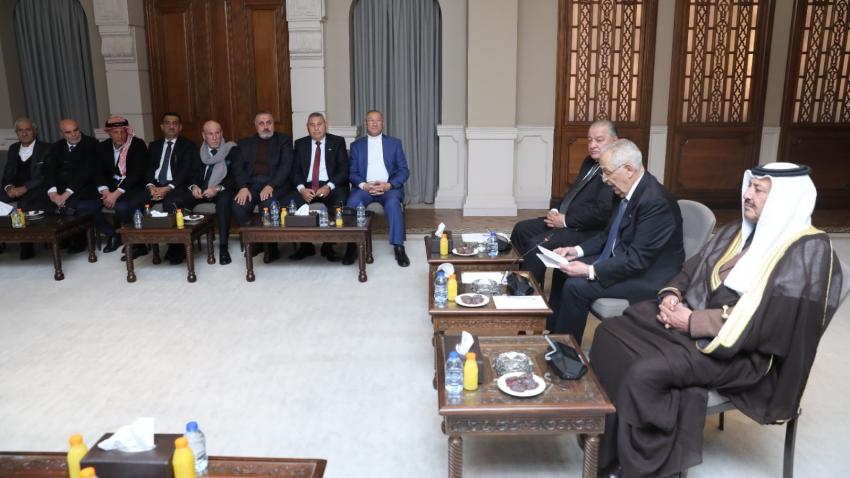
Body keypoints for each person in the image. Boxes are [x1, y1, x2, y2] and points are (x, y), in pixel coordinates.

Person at [589, 163, 843, 478]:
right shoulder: (739, 230)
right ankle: (605, 441)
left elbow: (773, 322)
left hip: (744, 352)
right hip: (700, 323)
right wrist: (672, 296)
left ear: (785, 199)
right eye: (749, 187)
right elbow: (691, 268)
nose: (747, 195)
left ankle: (636, 463)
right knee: (610, 332)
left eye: (759, 190)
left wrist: (692, 321)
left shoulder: (809, 252)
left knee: (645, 371)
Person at [548, 138, 684, 344]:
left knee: (575, 286)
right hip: (622, 258)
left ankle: (566, 351)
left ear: (628, 169)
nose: (604, 179)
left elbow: (637, 260)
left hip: (648, 276)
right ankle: (552, 336)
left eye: (607, 172)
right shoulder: (623, 190)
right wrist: (575, 251)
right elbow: (607, 234)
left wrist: (590, 270)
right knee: (562, 268)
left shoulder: (656, 202)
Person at [511, 120, 617, 286]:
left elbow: (602, 213)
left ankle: (526, 291)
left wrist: (566, 221)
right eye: (589, 140)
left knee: (536, 244)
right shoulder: (589, 162)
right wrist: (555, 210)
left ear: (615, 141)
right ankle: (520, 280)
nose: (592, 145)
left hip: (587, 230)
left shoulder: (614, 169)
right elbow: (573, 193)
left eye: (599, 140)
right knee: (522, 229)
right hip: (568, 219)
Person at [344, 110, 410, 267]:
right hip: (364, 188)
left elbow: (404, 170)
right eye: (370, 120)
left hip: (388, 188)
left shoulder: (394, 143)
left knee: (393, 203)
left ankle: (398, 247)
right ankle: (352, 245)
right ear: (365, 123)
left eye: (378, 120)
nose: (374, 123)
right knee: (352, 202)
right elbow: (352, 173)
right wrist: (364, 185)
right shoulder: (356, 146)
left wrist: (389, 185)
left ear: (383, 123)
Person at [232, 111, 294, 261]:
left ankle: (271, 247)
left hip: (275, 184)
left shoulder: (284, 140)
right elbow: (237, 167)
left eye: (269, 122)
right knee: (239, 206)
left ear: (273, 124)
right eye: (261, 123)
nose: (266, 126)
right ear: (255, 126)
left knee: (268, 203)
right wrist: (243, 187)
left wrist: (271, 185)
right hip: (251, 184)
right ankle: (255, 241)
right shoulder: (244, 143)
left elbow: (286, 166)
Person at [289, 112, 350, 261]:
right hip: (307, 186)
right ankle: (305, 246)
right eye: (312, 125)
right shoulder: (300, 144)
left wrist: (329, 186)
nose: (316, 128)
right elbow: (295, 171)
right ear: (307, 127)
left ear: (325, 125)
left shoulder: (337, 142)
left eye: (319, 124)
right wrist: (302, 189)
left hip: (330, 184)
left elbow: (343, 170)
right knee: (292, 203)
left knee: (339, 203)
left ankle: (328, 247)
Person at [140, 112, 197, 264]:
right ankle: (139, 245)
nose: (171, 126)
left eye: (175, 123)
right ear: (162, 126)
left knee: (170, 203)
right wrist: (151, 186)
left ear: (180, 127)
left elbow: (185, 170)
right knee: (134, 202)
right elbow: (148, 169)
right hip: (155, 186)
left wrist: (167, 188)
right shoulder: (154, 145)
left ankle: (176, 248)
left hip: (176, 186)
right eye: (167, 123)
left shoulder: (188, 145)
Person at [43, 119, 101, 253]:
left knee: (72, 206)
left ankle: (78, 240)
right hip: (62, 189)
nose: (74, 134)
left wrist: (65, 195)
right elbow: (48, 170)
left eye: (76, 130)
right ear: (62, 134)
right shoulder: (56, 147)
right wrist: (53, 193)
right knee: (46, 204)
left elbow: (86, 173)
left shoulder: (91, 144)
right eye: (68, 132)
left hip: (85, 188)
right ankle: (63, 237)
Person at [95, 116, 150, 258]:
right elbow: (98, 172)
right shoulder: (102, 147)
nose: (120, 136)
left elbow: (136, 174)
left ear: (127, 131)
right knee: (88, 206)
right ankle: (114, 235)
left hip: (132, 187)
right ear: (109, 133)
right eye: (115, 132)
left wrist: (114, 195)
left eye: (122, 132)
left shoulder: (137, 144)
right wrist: (106, 192)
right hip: (109, 189)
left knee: (123, 207)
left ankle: (137, 244)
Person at [183, 120, 237, 265]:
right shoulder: (197, 152)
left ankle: (223, 247)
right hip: (200, 191)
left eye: (217, 133)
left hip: (221, 190)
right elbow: (190, 174)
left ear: (222, 133)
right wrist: (194, 187)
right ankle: (180, 245)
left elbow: (235, 177)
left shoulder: (231, 150)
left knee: (224, 201)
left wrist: (216, 188)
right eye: (210, 134)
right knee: (177, 200)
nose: (214, 137)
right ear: (203, 135)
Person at [0, 117, 51, 259]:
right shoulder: (13, 148)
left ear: (35, 131)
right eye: (20, 130)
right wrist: (9, 187)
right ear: (16, 133)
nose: (24, 133)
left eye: (28, 130)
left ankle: (26, 244)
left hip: (37, 190)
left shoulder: (46, 148)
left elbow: (45, 176)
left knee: (24, 204)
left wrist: (25, 188)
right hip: (14, 190)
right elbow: (7, 174)